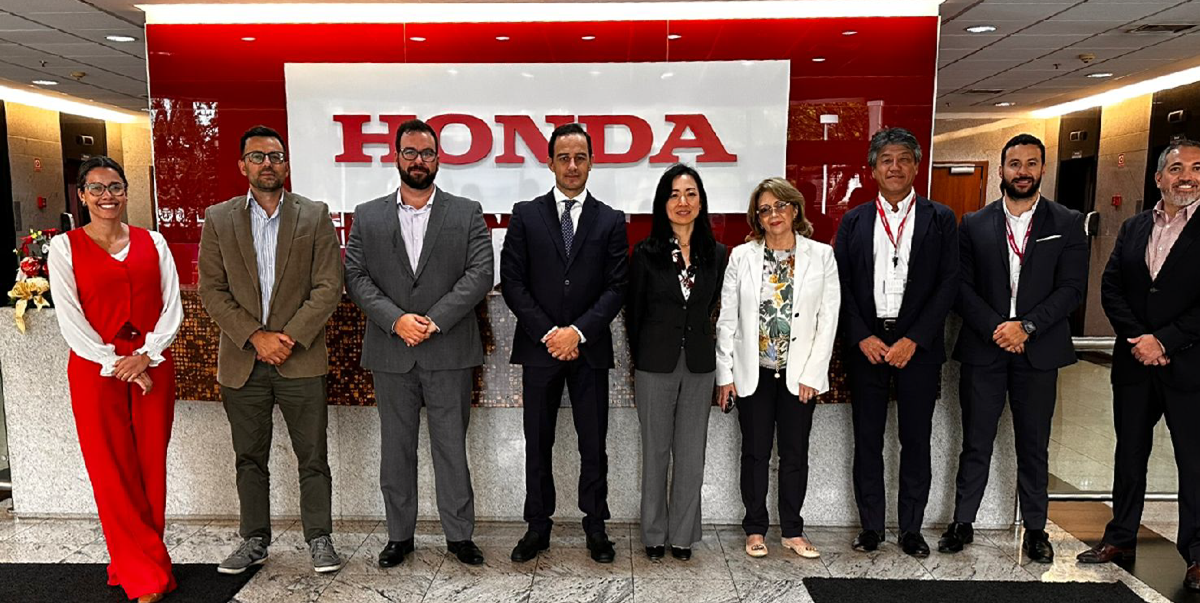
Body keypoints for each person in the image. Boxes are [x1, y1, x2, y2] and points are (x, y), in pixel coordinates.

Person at [345, 119, 493, 567]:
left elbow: (480, 273)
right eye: (410, 152)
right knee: (396, 450)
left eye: (426, 153)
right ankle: (399, 536)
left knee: (451, 449)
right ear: (396, 157)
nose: (418, 160)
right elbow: (355, 276)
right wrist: (397, 321)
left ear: (438, 159)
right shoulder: (368, 215)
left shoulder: (466, 212)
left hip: (448, 349)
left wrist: (433, 320)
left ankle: (459, 536)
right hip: (392, 352)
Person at [197, 125, 345, 575]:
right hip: (243, 361)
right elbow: (211, 290)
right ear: (242, 165)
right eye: (258, 156)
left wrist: (289, 337)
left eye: (276, 156)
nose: (268, 164)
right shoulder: (219, 218)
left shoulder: (313, 215)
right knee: (249, 458)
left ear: (286, 164)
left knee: (313, 457)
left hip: (301, 359)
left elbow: (329, 285)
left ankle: (319, 538)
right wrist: (255, 337)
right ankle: (254, 540)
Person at [940, 133, 1087, 564]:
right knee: (975, 441)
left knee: (1034, 445)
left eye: (1031, 164)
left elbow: (1072, 288)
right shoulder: (973, 223)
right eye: (1015, 164)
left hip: (1037, 352)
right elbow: (960, 287)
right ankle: (962, 522)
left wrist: (1027, 327)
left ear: (1042, 169)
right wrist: (998, 328)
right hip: (985, 349)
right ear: (1002, 170)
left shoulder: (1067, 222)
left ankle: (1036, 529)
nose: (1023, 172)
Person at [48, 156, 183, 603]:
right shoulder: (64, 248)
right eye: (97, 188)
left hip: (153, 367)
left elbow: (172, 306)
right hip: (95, 372)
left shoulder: (154, 242)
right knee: (110, 471)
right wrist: (114, 362)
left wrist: (146, 356)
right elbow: (70, 318)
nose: (107, 196)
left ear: (126, 192)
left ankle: (138, 562)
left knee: (150, 466)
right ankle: (145, 573)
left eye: (115, 187)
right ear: (82, 196)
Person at [500, 123, 629, 564]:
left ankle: (596, 525)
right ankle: (537, 525)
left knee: (593, 443)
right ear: (550, 162)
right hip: (540, 349)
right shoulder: (526, 214)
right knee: (537, 443)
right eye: (564, 158)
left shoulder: (610, 219)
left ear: (591, 162)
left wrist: (577, 332)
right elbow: (513, 282)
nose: (572, 166)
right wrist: (550, 333)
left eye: (580, 158)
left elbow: (616, 286)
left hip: (589, 350)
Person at [1079, 140, 1200, 590]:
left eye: (1197, 168)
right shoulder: (1134, 228)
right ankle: (1121, 537)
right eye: (1177, 168)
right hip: (1135, 365)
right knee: (1129, 455)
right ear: (1158, 177)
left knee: (1194, 462)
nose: (1186, 177)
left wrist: (1164, 340)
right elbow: (1111, 287)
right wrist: (1139, 340)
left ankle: (1197, 553)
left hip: (1189, 365)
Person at [834, 127, 959, 558]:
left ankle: (911, 529)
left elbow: (949, 282)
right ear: (873, 170)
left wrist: (915, 338)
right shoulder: (854, 221)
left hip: (917, 346)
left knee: (916, 440)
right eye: (886, 160)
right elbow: (840, 284)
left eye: (904, 159)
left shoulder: (940, 218)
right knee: (867, 439)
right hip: (867, 343)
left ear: (916, 166)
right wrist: (861, 335)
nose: (895, 167)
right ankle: (871, 527)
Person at [715, 177, 840, 559]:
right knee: (754, 453)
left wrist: (813, 374)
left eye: (780, 206)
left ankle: (792, 530)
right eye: (765, 209)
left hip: (798, 375)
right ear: (757, 217)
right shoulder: (741, 256)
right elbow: (727, 319)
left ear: (795, 209)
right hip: (753, 372)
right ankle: (755, 529)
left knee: (795, 454)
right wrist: (725, 375)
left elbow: (828, 320)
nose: (773, 215)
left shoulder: (821, 255)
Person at [626, 164, 727, 561]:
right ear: (662, 203)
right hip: (655, 364)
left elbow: (713, 307)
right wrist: (642, 359)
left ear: (701, 202)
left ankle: (683, 536)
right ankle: (653, 533)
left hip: (699, 365)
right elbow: (634, 314)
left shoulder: (716, 254)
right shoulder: (645, 253)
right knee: (655, 453)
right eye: (674, 194)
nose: (682, 202)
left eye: (690, 194)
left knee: (691, 455)